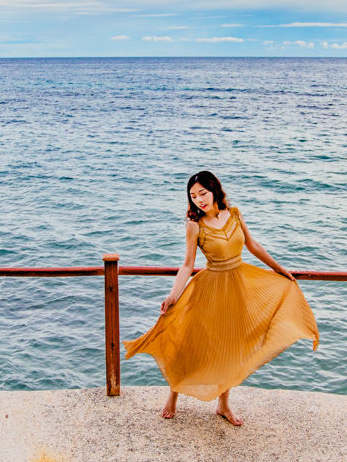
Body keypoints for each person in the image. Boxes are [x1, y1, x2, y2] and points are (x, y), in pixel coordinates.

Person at [123, 171, 320, 426]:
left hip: (237, 287)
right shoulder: (194, 225)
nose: (199, 201)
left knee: (233, 346)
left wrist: (280, 269)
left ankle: (223, 403)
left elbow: (253, 246)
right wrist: (173, 295)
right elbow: (187, 264)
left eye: (202, 194)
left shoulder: (235, 214)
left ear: (215, 189)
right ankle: (174, 392)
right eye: (193, 197)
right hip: (208, 289)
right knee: (192, 343)